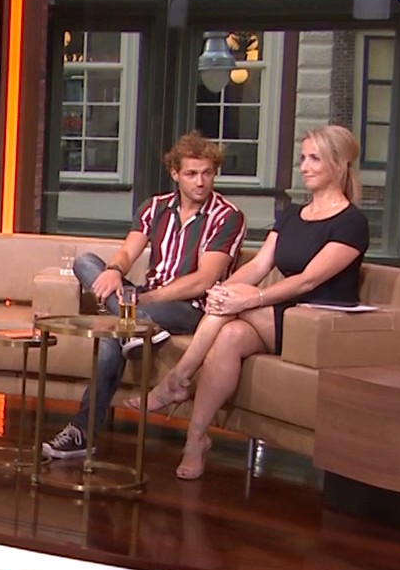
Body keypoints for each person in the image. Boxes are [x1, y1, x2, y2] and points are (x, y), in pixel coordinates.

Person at [132, 124, 369, 480]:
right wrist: (223, 290)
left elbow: (309, 280)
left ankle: (176, 380)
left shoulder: (352, 222)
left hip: (318, 320)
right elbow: (259, 266)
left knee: (230, 312)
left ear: (339, 164)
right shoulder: (292, 215)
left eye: (314, 159)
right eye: (303, 158)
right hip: (281, 313)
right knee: (228, 335)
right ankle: (196, 440)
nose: (304, 167)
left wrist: (250, 298)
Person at [41, 132, 245, 460]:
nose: (201, 181)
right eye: (192, 173)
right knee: (85, 263)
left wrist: (144, 301)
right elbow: (127, 253)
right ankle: (137, 327)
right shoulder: (155, 208)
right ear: (175, 173)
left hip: (191, 307)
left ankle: (82, 429)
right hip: (146, 299)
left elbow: (204, 280)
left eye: (207, 173)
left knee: (113, 334)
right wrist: (114, 270)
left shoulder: (228, 216)